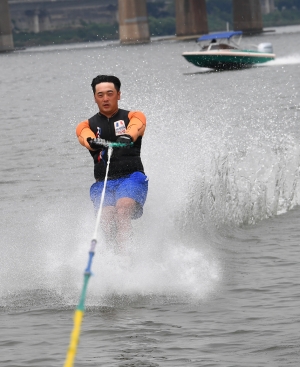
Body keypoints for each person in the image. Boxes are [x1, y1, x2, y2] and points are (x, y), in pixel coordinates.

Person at [76, 75, 148, 252]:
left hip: (132, 178)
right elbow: (82, 135)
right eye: (100, 95)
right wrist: (91, 141)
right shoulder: (86, 125)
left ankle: (126, 258)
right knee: (106, 216)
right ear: (94, 98)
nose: (105, 98)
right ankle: (112, 257)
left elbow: (138, 125)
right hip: (103, 184)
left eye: (110, 93)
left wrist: (128, 136)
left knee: (122, 209)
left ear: (118, 95)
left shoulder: (133, 116)